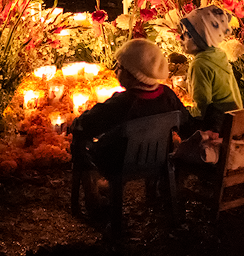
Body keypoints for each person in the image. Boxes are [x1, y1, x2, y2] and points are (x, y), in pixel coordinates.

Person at [70, 39, 192, 176]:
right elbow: (185, 122)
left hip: (119, 164)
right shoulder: (168, 95)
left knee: (79, 140)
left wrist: (76, 123)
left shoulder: (123, 103)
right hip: (160, 159)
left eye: (120, 67)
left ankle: (90, 191)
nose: (115, 70)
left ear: (133, 74)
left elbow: (87, 124)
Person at [180, 5, 243, 126]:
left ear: (202, 38)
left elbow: (201, 109)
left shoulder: (200, 64)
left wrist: (181, 111)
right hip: (234, 121)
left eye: (187, 34)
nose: (180, 37)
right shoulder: (219, 55)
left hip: (218, 126)